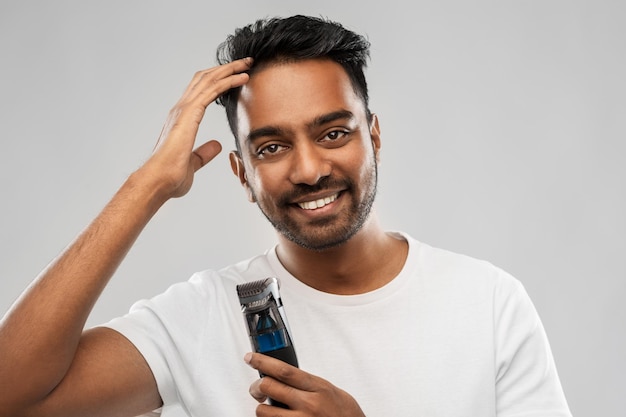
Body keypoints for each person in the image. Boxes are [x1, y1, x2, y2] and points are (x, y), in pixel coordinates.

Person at [0, 15, 571, 417]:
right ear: (242, 174)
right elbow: (11, 396)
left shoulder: (489, 302)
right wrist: (145, 186)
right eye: (271, 147)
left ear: (374, 135)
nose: (309, 168)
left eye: (334, 133)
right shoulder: (200, 318)